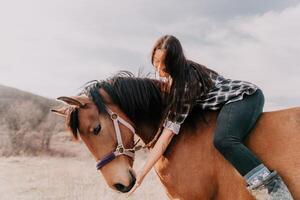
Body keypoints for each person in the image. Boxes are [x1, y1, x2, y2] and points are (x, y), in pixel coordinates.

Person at [127, 35, 292, 199]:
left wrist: (142, 174)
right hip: (227, 103)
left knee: (224, 140)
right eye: (156, 61)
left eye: (164, 64)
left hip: (245, 97)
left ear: (174, 62)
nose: (159, 69)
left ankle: (274, 191)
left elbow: (165, 138)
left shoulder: (185, 82)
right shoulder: (176, 77)